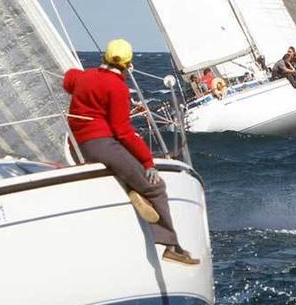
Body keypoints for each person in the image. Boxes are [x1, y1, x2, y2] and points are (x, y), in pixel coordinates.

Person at [63, 39, 199, 265]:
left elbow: (69, 79)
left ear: (104, 57)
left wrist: (82, 79)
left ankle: (132, 188)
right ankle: (171, 246)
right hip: (102, 146)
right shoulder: (117, 87)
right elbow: (123, 131)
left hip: (77, 147)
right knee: (156, 187)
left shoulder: (83, 77)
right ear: (128, 64)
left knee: (123, 166)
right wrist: (148, 162)